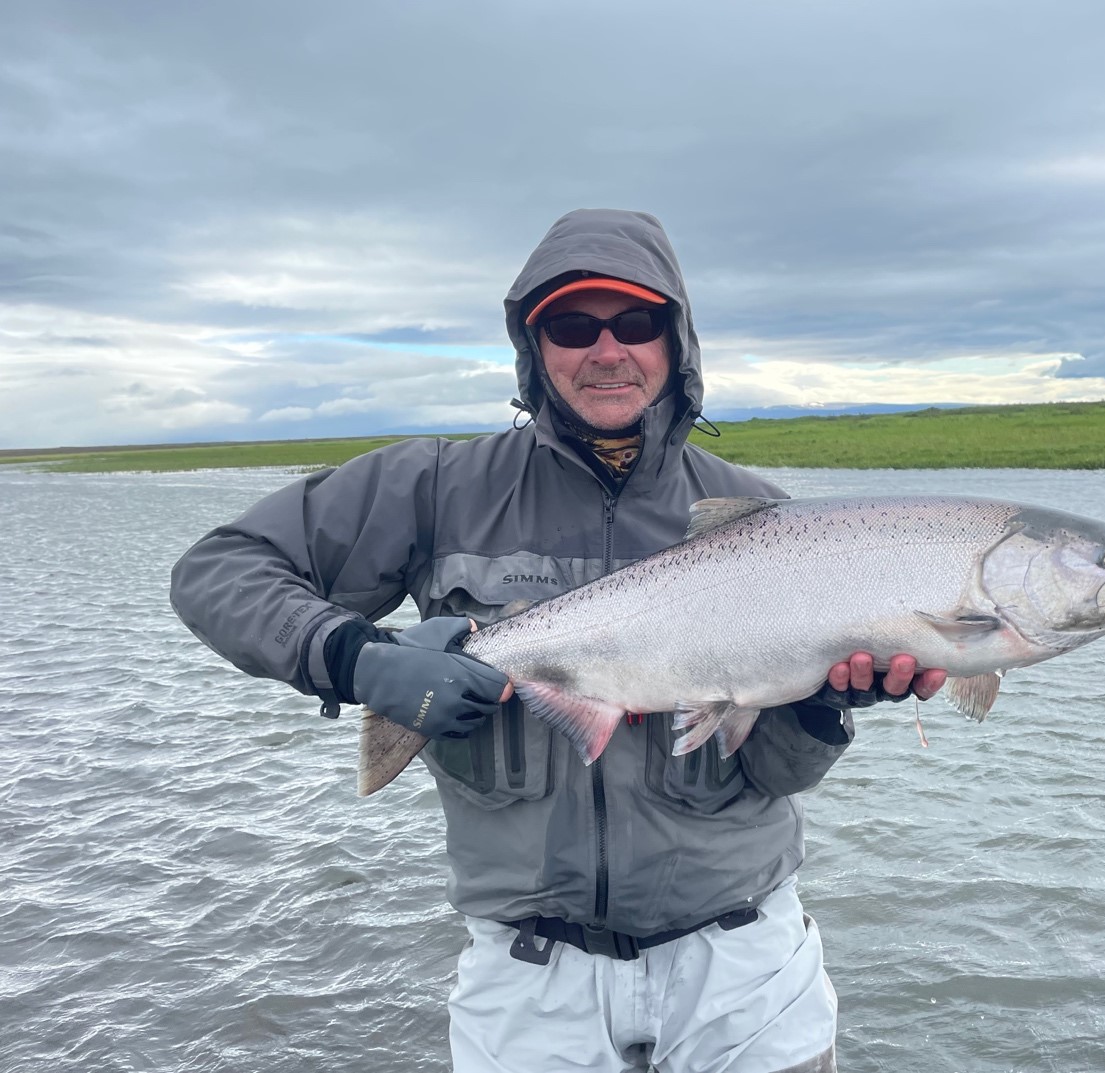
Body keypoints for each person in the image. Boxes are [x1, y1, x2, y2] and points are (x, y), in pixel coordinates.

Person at [170, 208, 947, 1072]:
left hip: (745, 967)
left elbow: (771, 776)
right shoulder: (435, 486)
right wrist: (356, 658)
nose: (606, 350)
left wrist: (823, 708)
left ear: (675, 339)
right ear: (534, 348)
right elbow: (220, 570)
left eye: (636, 323)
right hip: (528, 979)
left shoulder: (766, 522)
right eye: (573, 326)